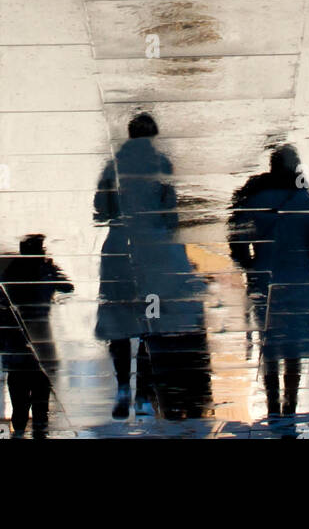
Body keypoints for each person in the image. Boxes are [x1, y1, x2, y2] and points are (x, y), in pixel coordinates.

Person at [93, 112, 209, 419]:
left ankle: (122, 387)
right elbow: (170, 213)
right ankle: (144, 391)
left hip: (119, 247)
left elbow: (100, 209)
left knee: (119, 319)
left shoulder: (112, 166)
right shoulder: (162, 165)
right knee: (150, 320)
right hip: (153, 251)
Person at [229, 145, 309, 425]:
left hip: (263, 280)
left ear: (271, 167)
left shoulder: (253, 199)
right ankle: (289, 408)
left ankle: (272, 407)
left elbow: (237, 241)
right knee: (293, 349)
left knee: (268, 345)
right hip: (297, 282)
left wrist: (250, 265)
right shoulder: (304, 201)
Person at [0, 234, 72, 437]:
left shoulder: (12, 271)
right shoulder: (45, 270)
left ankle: (19, 431)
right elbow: (67, 286)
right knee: (40, 404)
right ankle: (37, 431)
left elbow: (0, 301)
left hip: (17, 343)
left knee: (20, 402)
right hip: (40, 340)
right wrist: (52, 268)